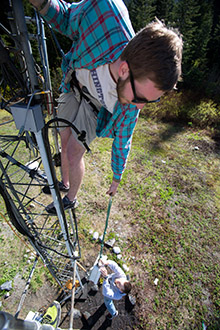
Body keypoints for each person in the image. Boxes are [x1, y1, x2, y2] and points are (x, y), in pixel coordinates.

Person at [29, 0, 183, 214]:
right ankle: (63, 182)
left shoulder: (131, 107)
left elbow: (123, 140)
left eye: (152, 100)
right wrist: (44, 4)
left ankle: (71, 198)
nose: (140, 107)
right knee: (63, 138)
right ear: (123, 70)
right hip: (73, 85)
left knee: (74, 153)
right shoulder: (105, 12)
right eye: (140, 97)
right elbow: (66, 19)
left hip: (94, 107)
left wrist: (116, 177)